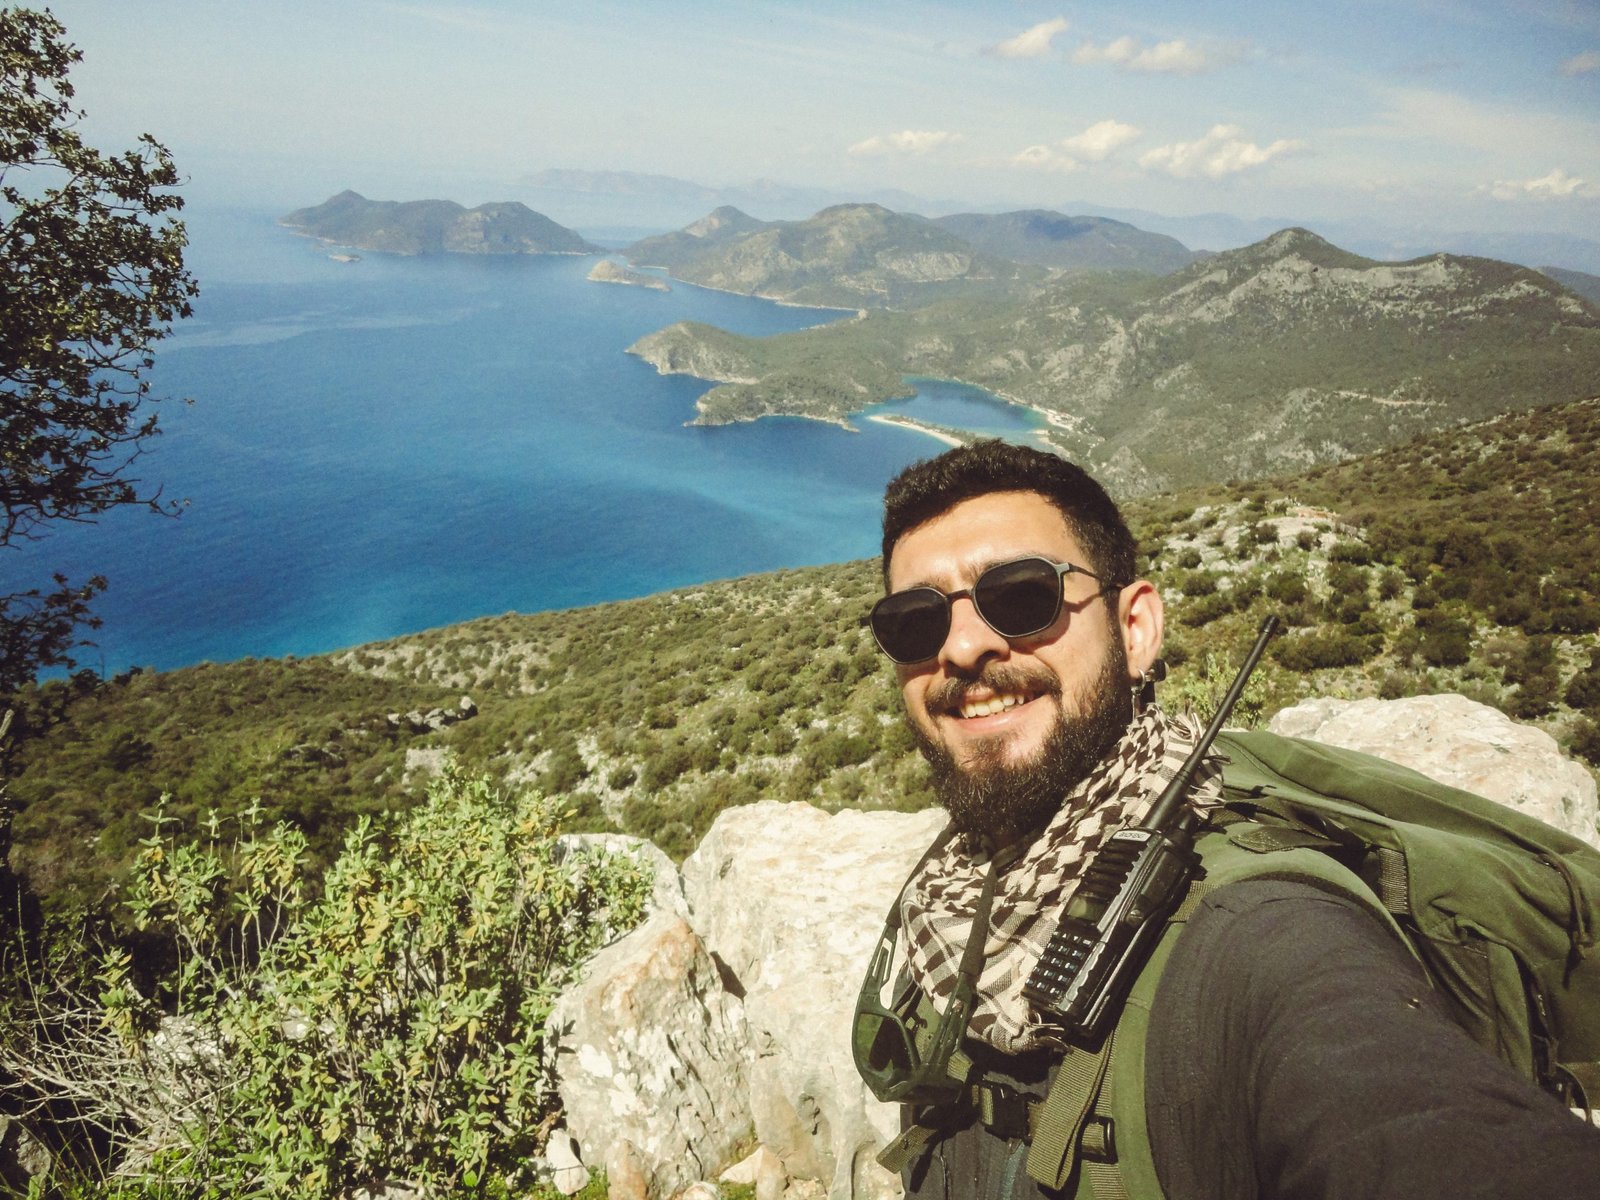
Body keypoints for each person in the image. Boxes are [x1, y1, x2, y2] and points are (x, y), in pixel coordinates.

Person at [856, 439, 1600, 1200]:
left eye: (1020, 595)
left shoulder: (1264, 930)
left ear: (1135, 629)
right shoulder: (948, 901)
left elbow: (1403, 1117)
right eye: (915, 621)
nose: (964, 645)